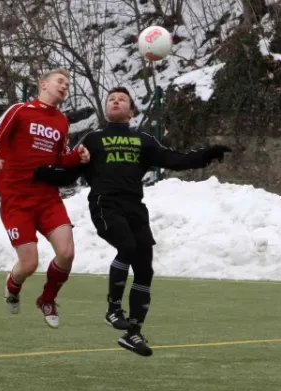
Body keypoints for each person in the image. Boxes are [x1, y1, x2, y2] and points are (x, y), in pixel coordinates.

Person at [32, 86, 231, 355]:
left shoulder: (144, 141)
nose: (115, 101)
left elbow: (175, 159)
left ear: (131, 111)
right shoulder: (93, 139)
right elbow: (69, 173)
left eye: (121, 99)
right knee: (126, 246)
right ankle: (113, 308)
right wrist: (40, 172)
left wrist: (206, 154)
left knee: (145, 268)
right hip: (105, 204)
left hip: (134, 208)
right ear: (106, 109)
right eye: (111, 99)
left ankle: (133, 333)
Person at [0, 68, 90, 329]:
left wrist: (77, 157)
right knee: (29, 264)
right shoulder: (19, 110)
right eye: (59, 81)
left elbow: (59, 158)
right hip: (17, 200)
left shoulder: (62, 121)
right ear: (43, 84)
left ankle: (48, 299)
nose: (64, 86)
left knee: (67, 252)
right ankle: (13, 284)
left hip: (47, 198)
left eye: (67, 84)